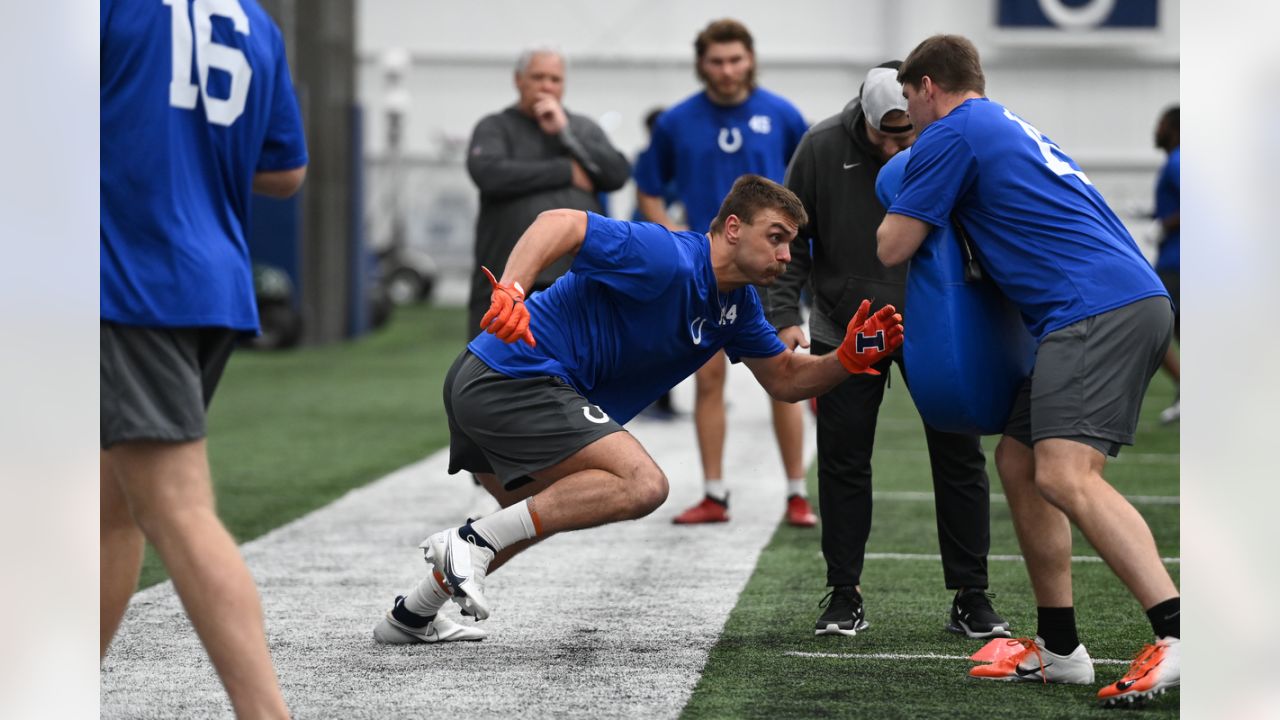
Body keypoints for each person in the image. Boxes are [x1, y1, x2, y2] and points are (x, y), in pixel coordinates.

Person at [373, 175, 903, 644]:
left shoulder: (735, 306)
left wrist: (846, 360)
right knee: (642, 485)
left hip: (493, 382)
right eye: (777, 238)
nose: (787, 257)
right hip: (513, 377)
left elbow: (786, 379)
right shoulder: (667, 255)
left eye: (791, 244)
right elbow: (560, 223)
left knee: (549, 511)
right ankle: (466, 543)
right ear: (734, 228)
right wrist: (511, 291)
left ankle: (411, 615)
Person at [876, 35, 1179, 705]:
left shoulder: (953, 130)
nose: (909, 114)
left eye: (909, 99)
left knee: (1066, 475)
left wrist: (911, 177)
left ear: (928, 87)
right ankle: (1061, 647)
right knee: (1019, 462)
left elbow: (892, 242)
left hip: (1094, 308)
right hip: (1116, 299)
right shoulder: (1003, 122)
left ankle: (1180, 630)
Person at [100, 1, 309, 716]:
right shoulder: (255, 20)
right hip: (211, 281)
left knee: (176, 508)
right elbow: (286, 170)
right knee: (112, 509)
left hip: (126, 280)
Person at [772, 62, 1008, 638]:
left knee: (959, 457)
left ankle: (972, 596)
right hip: (847, 324)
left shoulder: (950, 142)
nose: (896, 145)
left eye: (906, 134)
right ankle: (843, 591)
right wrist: (782, 315)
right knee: (843, 457)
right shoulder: (822, 146)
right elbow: (790, 237)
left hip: (938, 322)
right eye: (885, 134)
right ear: (864, 116)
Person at [634, 18, 815, 527]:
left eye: (735, 59)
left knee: (784, 373)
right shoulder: (676, 122)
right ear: (702, 65)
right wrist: (672, 233)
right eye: (717, 61)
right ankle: (714, 494)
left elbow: (808, 184)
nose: (727, 70)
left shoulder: (781, 115)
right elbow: (648, 184)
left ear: (750, 59)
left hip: (772, 272)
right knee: (707, 379)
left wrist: (800, 253)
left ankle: (796, 493)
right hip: (707, 272)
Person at [463, 47, 631, 519]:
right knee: (490, 378)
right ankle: (488, 479)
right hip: (508, 281)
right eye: (537, 77)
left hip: (572, 284)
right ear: (519, 81)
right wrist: (564, 172)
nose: (546, 87)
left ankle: (564, 476)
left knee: (565, 380)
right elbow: (488, 173)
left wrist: (567, 136)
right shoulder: (495, 128)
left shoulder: (579, 127)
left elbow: (616, 172)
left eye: (555, 79)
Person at [1152, 105, 1180, 424]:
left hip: (1178, 263)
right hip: (1176, 260)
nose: (1156, 130)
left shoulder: (1177, 163)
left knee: (1155, 332)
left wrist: (1164, 225)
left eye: (1161, 125)